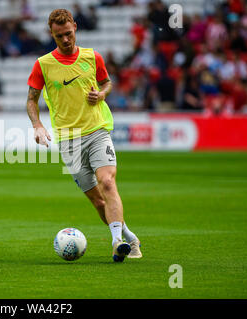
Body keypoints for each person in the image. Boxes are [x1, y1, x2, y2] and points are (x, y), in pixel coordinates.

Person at [26, 9, 142, 262]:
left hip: (97, 130)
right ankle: (130, 237)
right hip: (68, 139)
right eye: (59, 36)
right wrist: (37, 124)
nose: (65, 40)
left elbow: (107, 82)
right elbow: (31, 100)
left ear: (75, 27)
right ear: (52, 34)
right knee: (98, 201)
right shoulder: (43, 64)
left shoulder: (92, 57)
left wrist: (101, 94)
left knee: (108, 183)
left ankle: (116, 242)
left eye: (68, 34)